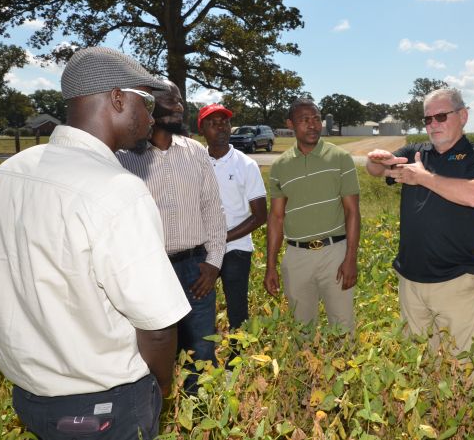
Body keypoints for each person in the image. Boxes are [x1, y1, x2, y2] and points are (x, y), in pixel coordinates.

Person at [0, 47, 191, 439]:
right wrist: (160, 388)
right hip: (104, 406)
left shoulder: (9, 173)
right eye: (145, 103)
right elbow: (158, 327)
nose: (152, 116)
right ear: (117, 98)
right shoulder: (117, 191)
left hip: (31, 398)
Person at [365, 88, 474, 355]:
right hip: (411, 281)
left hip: (457, 280)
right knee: (418, 367)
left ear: (463, 116)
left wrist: (422, 177)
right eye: (427, 119)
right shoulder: (416, 152)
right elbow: (376, 171)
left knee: (463, 368)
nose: (433, 124)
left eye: (440, 116)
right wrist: (378, 160)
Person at [116, 82, 227, 394]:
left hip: (196, 270)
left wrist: (214, 263)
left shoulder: (196, 153)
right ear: (148, 105)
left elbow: (213, 211)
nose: (178, 106)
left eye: (180, 100)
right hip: (149, 270)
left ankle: (202, 414)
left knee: (202, 350)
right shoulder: (124, 158)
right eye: (169, 100)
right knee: (151, 351)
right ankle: (158, 413)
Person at [265, 99, 360, 331]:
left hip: (334, 255)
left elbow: (352, 211)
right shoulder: (280, 167)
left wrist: (350, 258)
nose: (313, 125)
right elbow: (276, 218)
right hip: (297, 257)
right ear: (290, 124)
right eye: (304, 120)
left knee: (343, 328)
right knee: (301, 330)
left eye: (316, 118)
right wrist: (270, 266)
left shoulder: (340, 158)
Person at [198, 103, 267, 365]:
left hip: (236, 246)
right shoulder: (196, 162)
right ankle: (203, 360)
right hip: (201, 248)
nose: (221, 128)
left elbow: (260, 216)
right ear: (202, 128)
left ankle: (235, 361)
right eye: (213, 123)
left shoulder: (245, 165)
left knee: (236, 307)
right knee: (200, 305)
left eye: (225, 122)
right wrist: (207, 243)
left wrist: (221, 239)